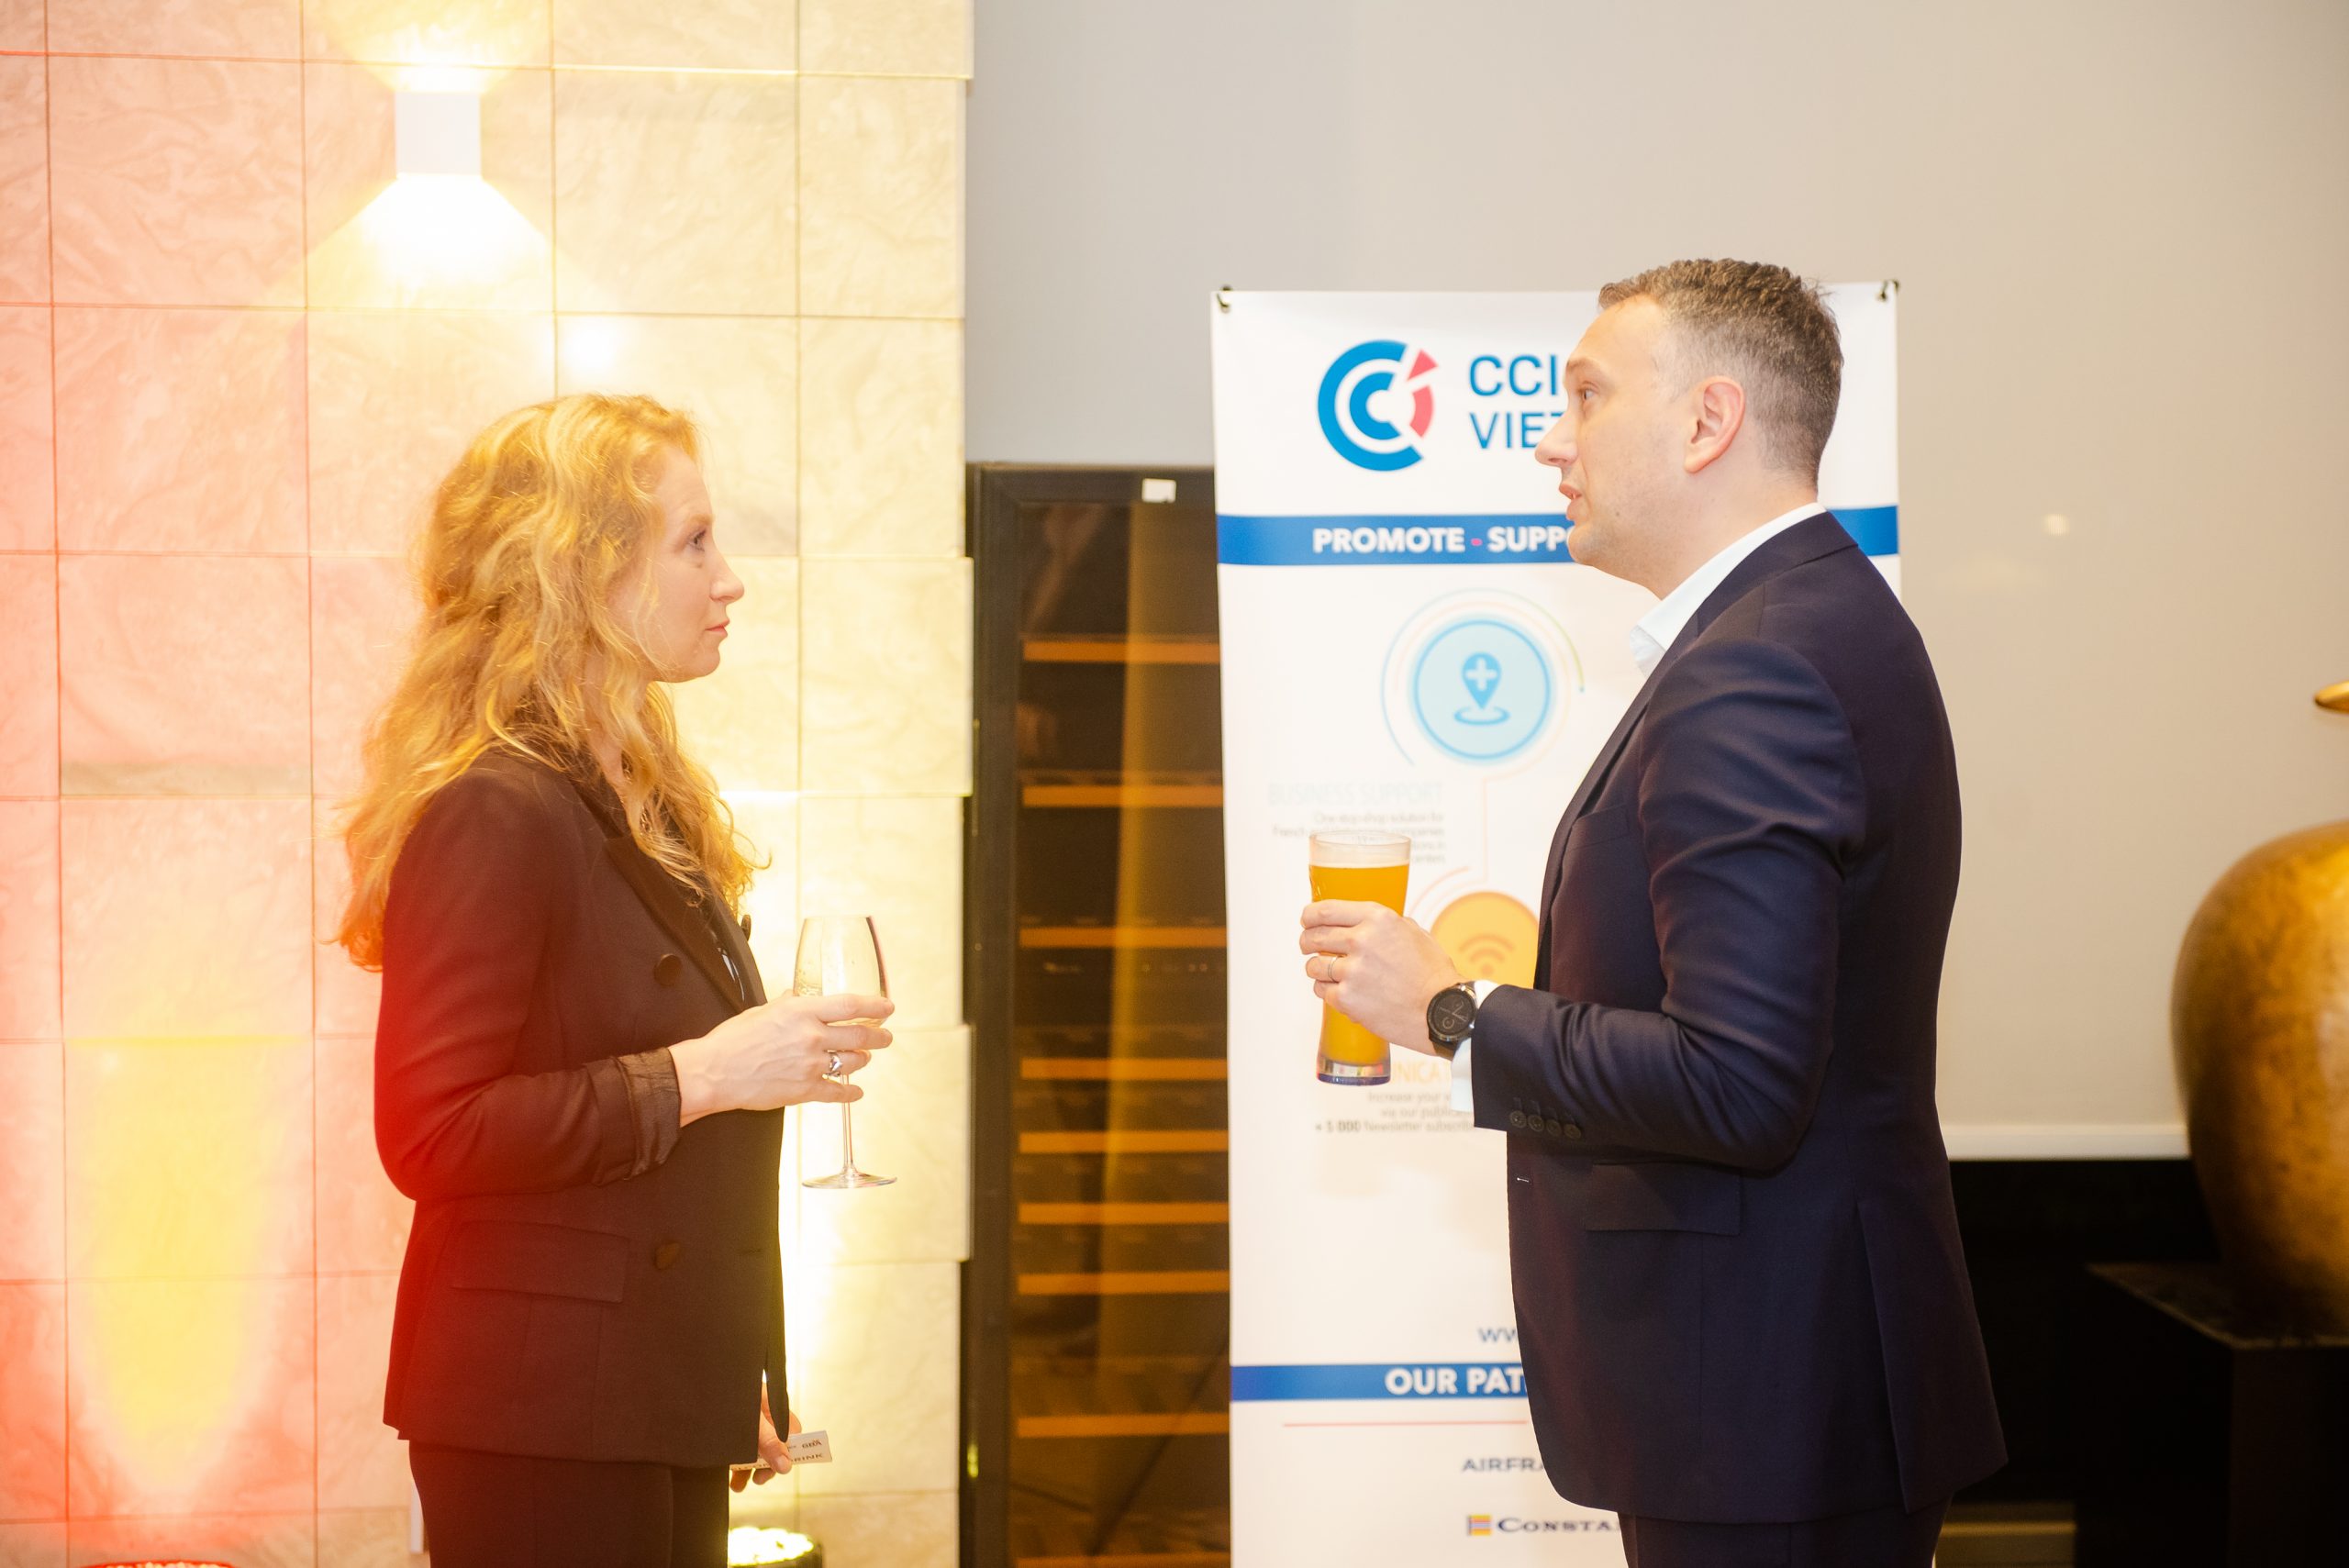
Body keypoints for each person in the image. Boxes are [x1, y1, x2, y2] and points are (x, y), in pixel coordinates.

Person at [1298, 261, 2004, 1567]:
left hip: (1765, 1401)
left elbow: (1738, 1080)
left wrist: (1453, 1013)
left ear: (1706, 421)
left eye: (1584, 396)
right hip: (1781, 1387)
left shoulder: (1758, 667)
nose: (1549, 439)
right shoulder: (1806, 620)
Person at [335, 394, 893, 1568]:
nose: (729, 579)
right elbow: (431, 1132)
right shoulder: (496, 807)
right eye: (694, 542)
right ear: (582, 571)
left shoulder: (644, 796)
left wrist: (715, 1370)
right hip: (538, 1418)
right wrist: (705, 1071)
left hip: (640, 1396)